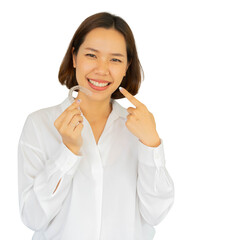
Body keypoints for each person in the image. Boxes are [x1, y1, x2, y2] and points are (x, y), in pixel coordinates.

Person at [17, 12, 174, 240]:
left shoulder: (139, 130)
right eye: (92, 55)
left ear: (127, 67)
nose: (102, 69)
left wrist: (151, 144)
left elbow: (156, 214)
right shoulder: (39, 124)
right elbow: (32, 218)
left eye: (115, 59)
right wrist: (68, 151)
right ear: (74, 57)